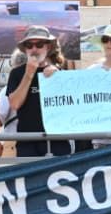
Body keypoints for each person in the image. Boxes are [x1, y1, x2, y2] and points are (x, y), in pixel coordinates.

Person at [4, 26, 78, 157]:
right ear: (25, 49)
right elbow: (15, 104)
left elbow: (71, 105)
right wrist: (29, 73)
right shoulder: (16, 73)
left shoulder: (59, 73)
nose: (34, 49)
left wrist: (58, 76)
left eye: (39, 45)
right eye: (29, 45)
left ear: (48, 47)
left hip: (57, 141)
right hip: (27, 142)